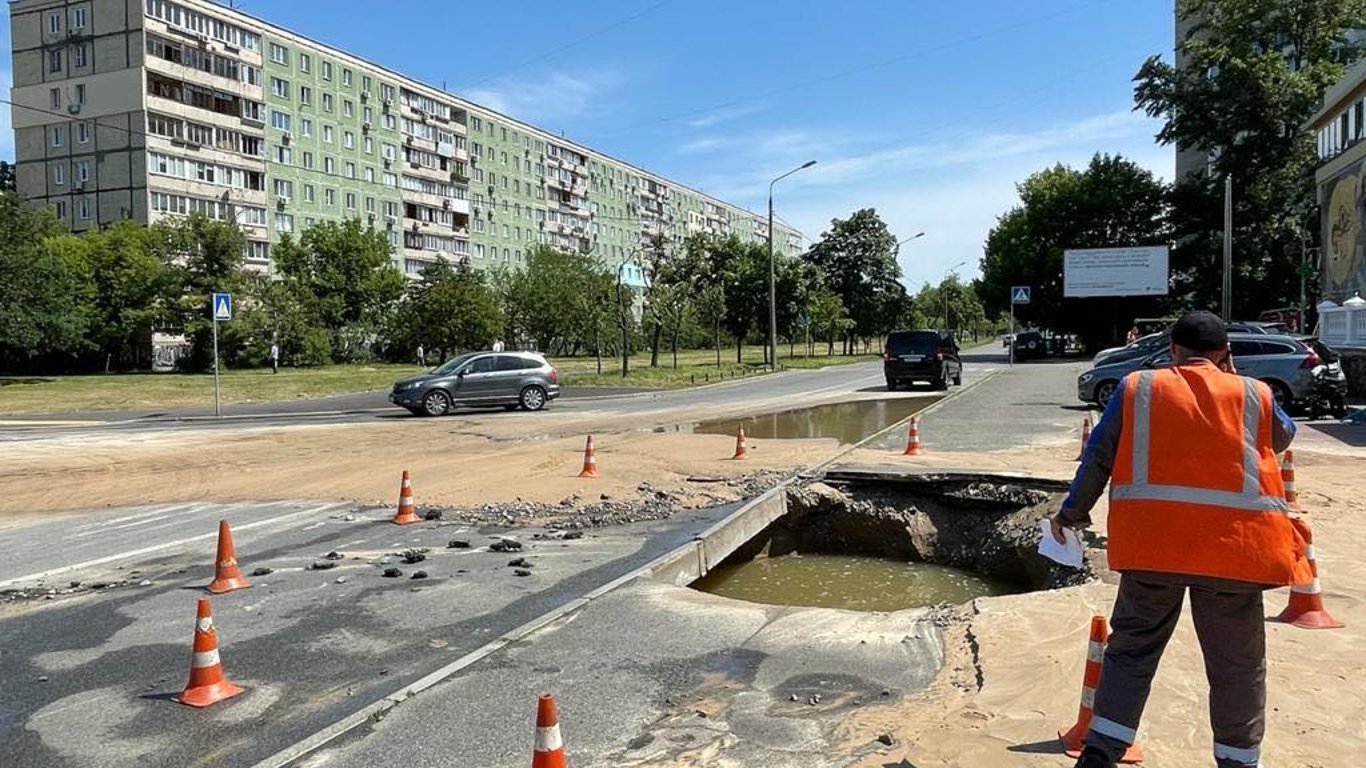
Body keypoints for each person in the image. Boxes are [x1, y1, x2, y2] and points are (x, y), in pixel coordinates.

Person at [1050, 310, 1311, 768]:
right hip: (1234, 554)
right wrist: (1234, 382)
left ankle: (1101, 751)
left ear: (1172, 351)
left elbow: (1098, 457)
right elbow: (1283, 436)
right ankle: (1237, 760)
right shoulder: (1255, 395)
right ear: (1225, 355)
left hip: (1153, 549)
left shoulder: (1137, 389)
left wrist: (1071, 513)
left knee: (1130, 653)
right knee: (1237, 668)